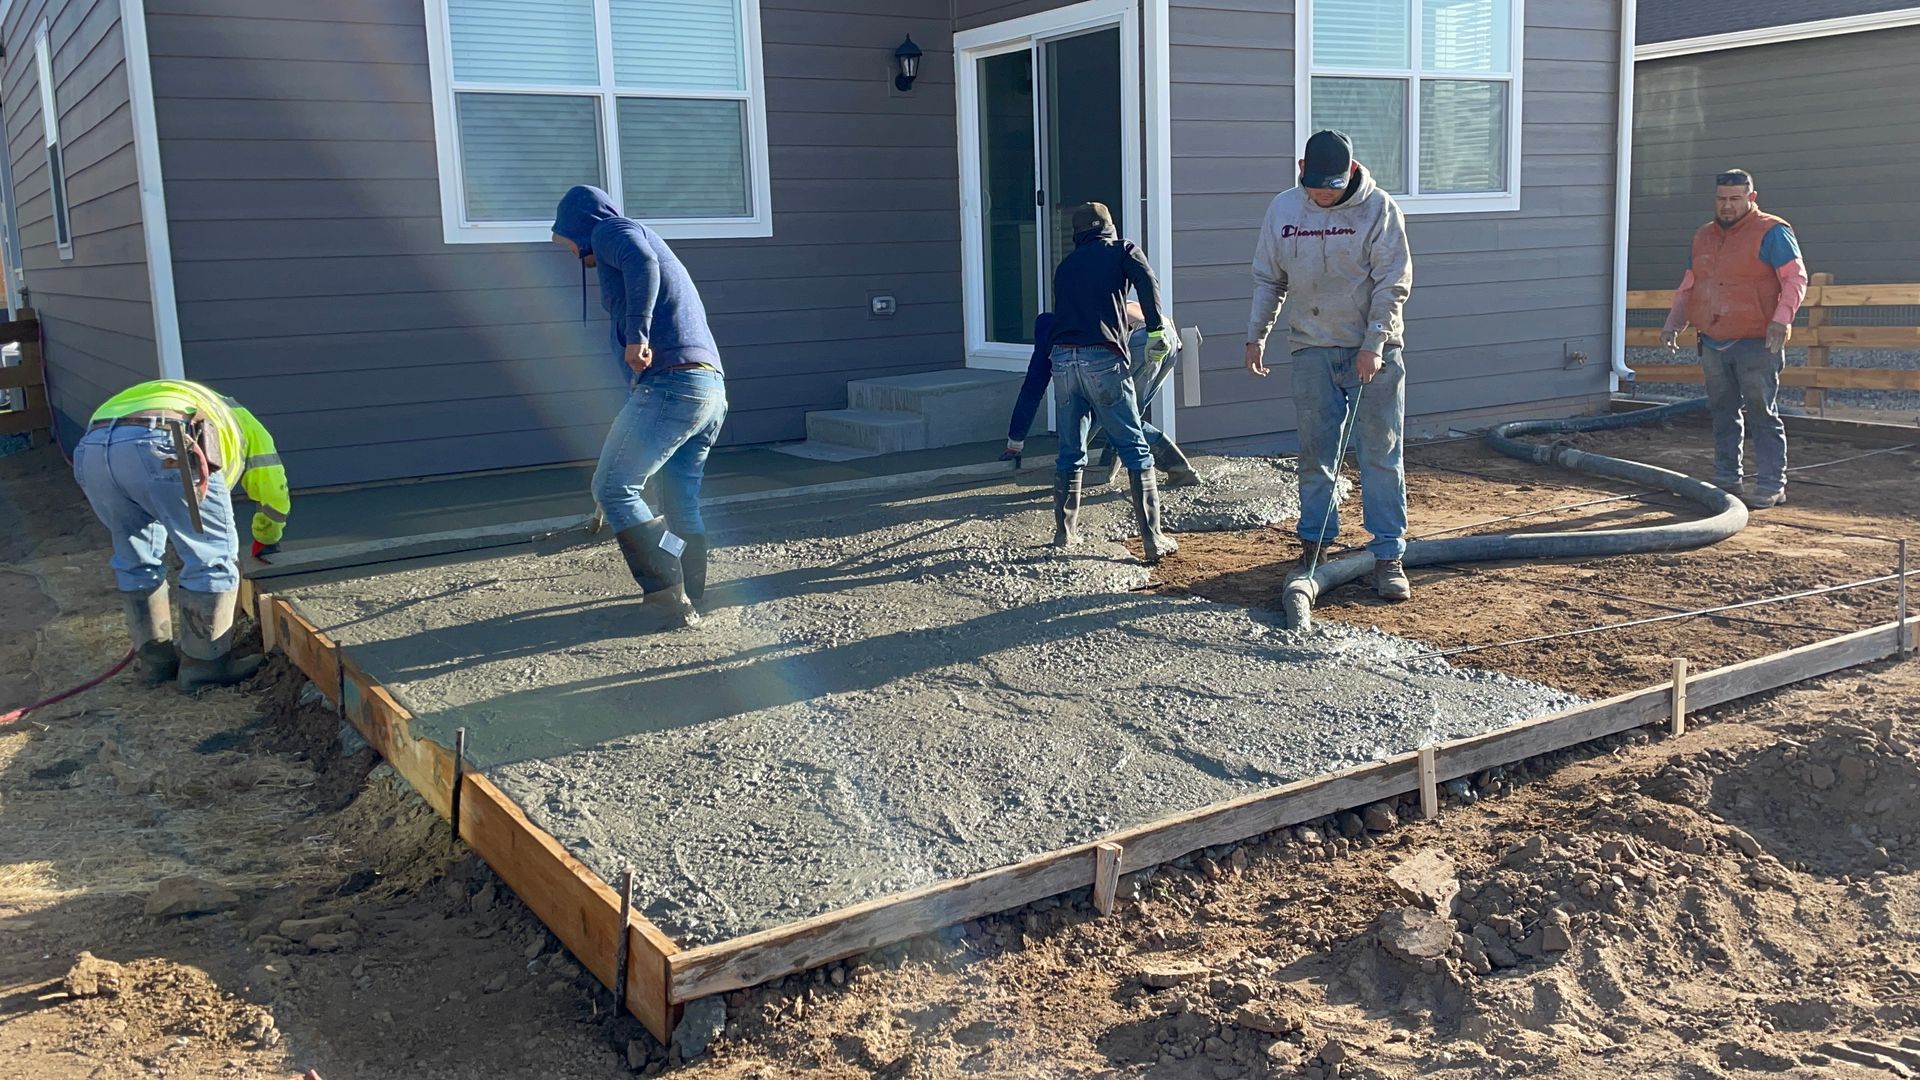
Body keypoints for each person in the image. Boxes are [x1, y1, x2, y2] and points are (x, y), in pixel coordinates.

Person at [1244, 129, 1414, 601]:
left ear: (1352, 173)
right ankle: (1316, 545)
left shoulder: (1379, 210)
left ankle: (1387, 554)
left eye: (1334, 187)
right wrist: (1256, 336)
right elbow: (1268, 279)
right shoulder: (1284, 210)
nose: (1324, 195)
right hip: (1310, 348)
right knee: (1316, 452)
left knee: (1379, 452)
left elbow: (1392, 283)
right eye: (1317, 186)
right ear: (1302, 170)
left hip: (1372, 350)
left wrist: (1374, 343)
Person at [553, 186, 728, 628]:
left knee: (614, 488)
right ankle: (691, 591)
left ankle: (668, 601)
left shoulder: (612, 229)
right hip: (708, 390)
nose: (576, 255)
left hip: (672, 386)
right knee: (678, 500)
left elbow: (641, 262)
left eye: (569, 244)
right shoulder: (639, 236)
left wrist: (638, 337)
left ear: (580, 227)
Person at [74, 380, 290, 690]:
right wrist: (266, 537)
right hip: (170, 439)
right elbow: (273, 494)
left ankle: (156, 662)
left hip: (94, 448)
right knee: (211, 560)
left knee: (135, 558)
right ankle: (206, 664)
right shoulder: (246, 424)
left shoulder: (181, 395)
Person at [1659, 169, 1807, 509]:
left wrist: (1781, 319)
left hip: (1757, 340)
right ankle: (1727, 478)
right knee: (1723, 412)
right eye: (1722, 199)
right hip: (1712, 338)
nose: (1727, 206)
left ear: (1751, 198)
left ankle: (1772, 483)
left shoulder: (1772, 232)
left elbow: (1795, 280)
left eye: (1735, 199)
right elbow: (1689, 285)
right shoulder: (1703, 237)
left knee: (1762, 412)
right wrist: (1673, 323)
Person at [1046, 201, 1179, 562]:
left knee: (1071, 450)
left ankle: (1065, 535)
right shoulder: (1122, 250)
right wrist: (1155, 330)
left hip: (1062, 360)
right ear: (1108, 227)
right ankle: (1153, 540)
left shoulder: (1066, 265)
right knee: (1133, 444)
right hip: (1101, 360)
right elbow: (1146, 283)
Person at [1002, 305, 1197, 487]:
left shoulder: (1053, 331)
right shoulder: (1087, 313)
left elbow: (1033, 387)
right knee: (1128, 412)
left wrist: (1015, 443)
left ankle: (1178, 468)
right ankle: (1108, 470)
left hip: (1139, 340)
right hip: (1165, 334)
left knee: (1120, 415)